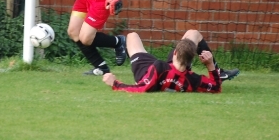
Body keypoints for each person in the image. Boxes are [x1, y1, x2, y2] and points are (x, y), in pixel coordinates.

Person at [102, 29, 240, 93]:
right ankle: (219, 71)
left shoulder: (158, 67)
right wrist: (210, 65)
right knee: (193, 33)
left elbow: (141, 87)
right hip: (173, 69)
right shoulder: (193, 79)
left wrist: (115, 83)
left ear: (174, 53)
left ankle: (121, 45)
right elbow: (216, 87)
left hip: (146, 70)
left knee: (132, 36)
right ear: (191, 60)